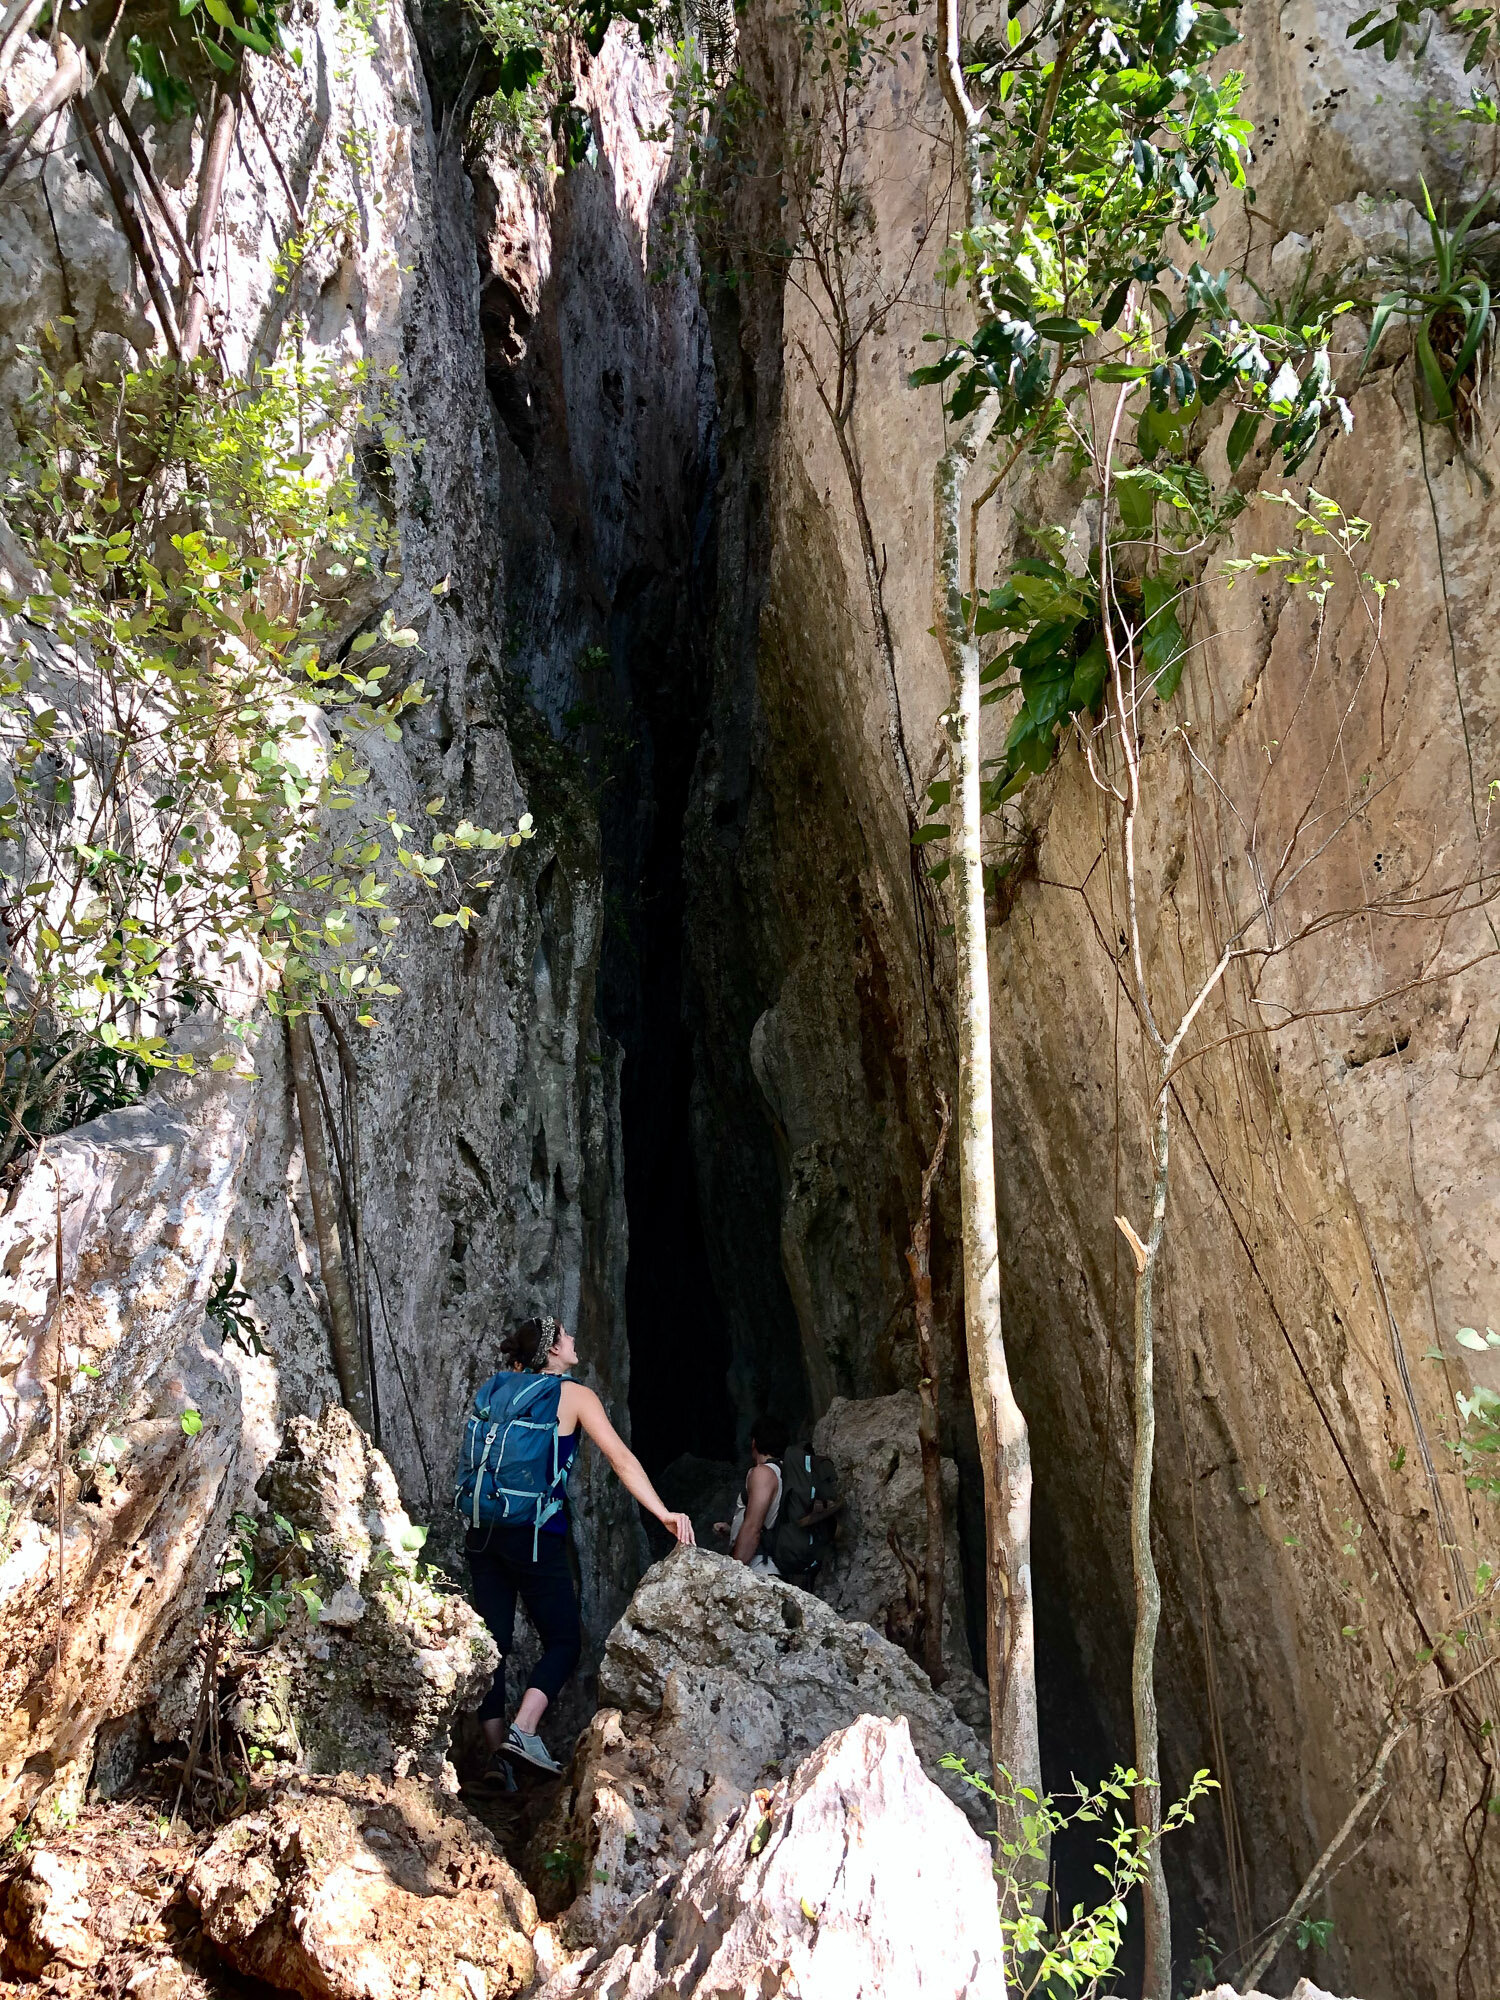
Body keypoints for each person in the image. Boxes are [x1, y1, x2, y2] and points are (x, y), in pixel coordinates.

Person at [463, 1316, 694, 1778]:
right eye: (565, 1336)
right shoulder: (574, 1395)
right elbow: (621, 1459)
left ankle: (496, 1761)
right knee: (565, 1641)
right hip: (534, 1536)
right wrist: (662, 1512)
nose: (573, 1341)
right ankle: (523, 1731)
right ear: (551, 1351)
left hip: (481, 1528)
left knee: (493, 1643)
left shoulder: (496, 1387)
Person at [714, 1416, 788, 1574]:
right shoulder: (785, 1473)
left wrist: (732, 1573)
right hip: (775, 1566)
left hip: (761, 1568)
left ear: (754, 1442)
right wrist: (731, 1530)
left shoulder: (763, 1473)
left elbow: (753, 1528)